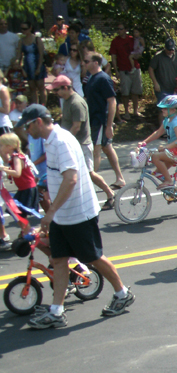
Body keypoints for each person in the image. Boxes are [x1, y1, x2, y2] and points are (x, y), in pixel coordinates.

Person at [16, 105, 135, 329]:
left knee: (93, 257)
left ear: (38, 122)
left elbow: (71, 179)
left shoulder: (61, 142)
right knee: (59, 259)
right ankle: (56, 312)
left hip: (78, 213)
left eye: (27, 125)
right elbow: (56, 175)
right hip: (62, 214)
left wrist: (49, 212)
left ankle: (122, 293)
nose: (25, 130)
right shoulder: (50, 141)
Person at [47, 75, 115, 210]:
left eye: (57, 90)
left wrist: (63, 141)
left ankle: (110, 194)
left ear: (65, 87)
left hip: (81, 144)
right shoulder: (67, 100)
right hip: (73, 143)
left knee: (89, 173)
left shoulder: (76, 103)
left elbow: (76, 126)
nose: (55, 94)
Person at [82, 53, 127, 189]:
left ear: (96, 63)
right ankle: (120, 178)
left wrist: (109, 125)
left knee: (95, 151)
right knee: (107, 148)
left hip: (100, 119)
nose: (84, 63)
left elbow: (112, 101)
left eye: (86, 61)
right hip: (93, 119)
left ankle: (90, 181)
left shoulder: (103, 79)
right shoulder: (90, 78)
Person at [138, 95, 177, 190]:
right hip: (173, 151)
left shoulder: (176, 122)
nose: (162, 110)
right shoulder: (167, 120)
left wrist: (166, 147)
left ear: (173, 110)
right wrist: (144, 142)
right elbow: (158, 133)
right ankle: (174, 190)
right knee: (158, 173)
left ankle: (169, 182)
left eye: (165, 109)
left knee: (155, 156)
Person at [0, 132, 38, 211]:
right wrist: (6, 169)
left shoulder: (16, 157)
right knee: (18, 215)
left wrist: (3, 168)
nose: (0, 147)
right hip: (24, 188)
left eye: (1, 145)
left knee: (19, 215)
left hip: (27, 188)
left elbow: (17, 173)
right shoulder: (14, 156)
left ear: (9, 146)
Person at [17, 22, 46, 106]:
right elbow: (19, 56)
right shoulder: (21, 41)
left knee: (41, 87)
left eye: (25, 29)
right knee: (32, 88)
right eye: (22, 29)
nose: (23, 31)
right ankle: (35, 107)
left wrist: (39, 68)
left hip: (37, 64)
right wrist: (20, 67)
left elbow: (41, 55)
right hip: (28, 66)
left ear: (30, 28)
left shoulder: (37, 39)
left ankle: (43, 107)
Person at [148, 38, 177, 103]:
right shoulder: (158, 56)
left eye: (172, 49)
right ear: (165, 48)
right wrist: (155, 83)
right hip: (161, 88)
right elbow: (151, 69)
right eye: (168, 49)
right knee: (162, 109)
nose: (170, 51)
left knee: (174, 108)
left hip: (174, 88)